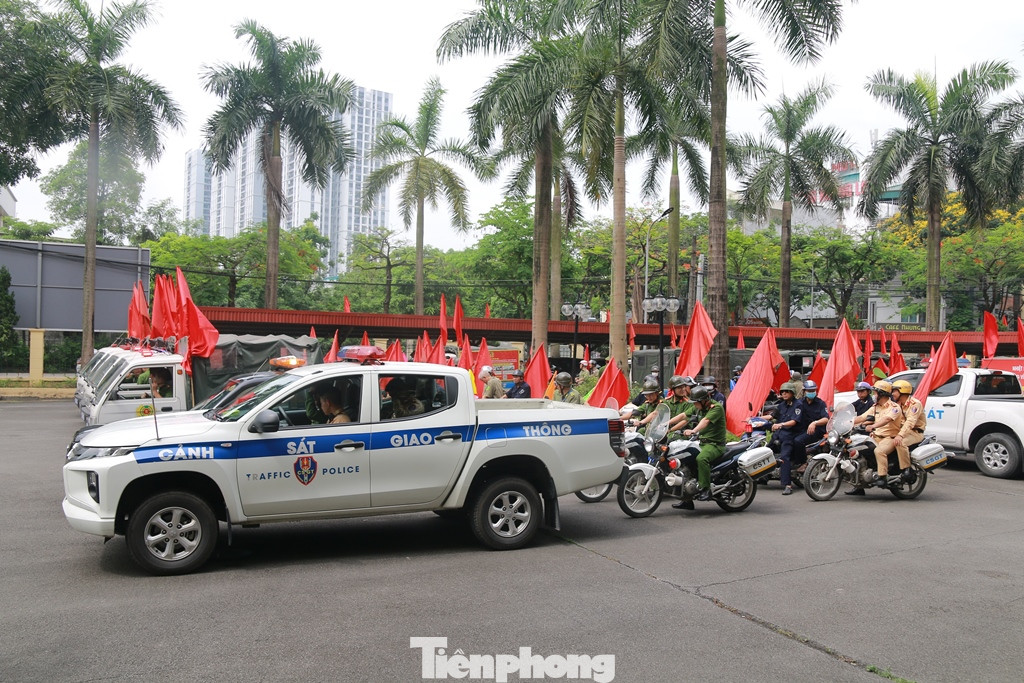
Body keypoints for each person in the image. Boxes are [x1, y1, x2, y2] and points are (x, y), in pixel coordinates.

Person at [854, 379, 905, 489]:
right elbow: (862, 417)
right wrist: (848, 422)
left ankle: (883, 477)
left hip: (889, 438)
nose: (874, 395)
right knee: (858, 447)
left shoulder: (894, 407)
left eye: (875, 393)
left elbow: (887, 419)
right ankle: (860, 482)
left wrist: (873, 426)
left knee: (879, 451)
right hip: (875, 437)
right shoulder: (876, 407)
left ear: (881, 394)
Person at [680, 385, 726, 503]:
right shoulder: (699, 407)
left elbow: (705, 421)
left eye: (696, 402)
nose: (694, 404)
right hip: (701, 443)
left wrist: (694, 431)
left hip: (715, 445)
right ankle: (687, 499)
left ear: (704, 400)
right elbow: (683, 416)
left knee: (702, 458)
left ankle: (706, 489)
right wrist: (666, 424)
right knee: (686, 458)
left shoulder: (716, 408)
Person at [770, 382, 803, 495]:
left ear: (792, 393)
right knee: (765, 451)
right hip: (777, 434)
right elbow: (771, 416)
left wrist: (781, 424)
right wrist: (755, 418)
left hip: (789, 435)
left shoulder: (798, 405)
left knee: (784, 457)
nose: (784, 394)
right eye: (782, 392)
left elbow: (794, 421)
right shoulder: (781, 405)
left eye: (786, 392)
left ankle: (787, 485)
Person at [793, 379, 829, 477]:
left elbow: (826, 418)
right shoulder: (800, 403)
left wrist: (815, 423)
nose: (811, 393)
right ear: (804, 391)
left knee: (798, 441)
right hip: (802, 429)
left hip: (816, 431)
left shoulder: (820, 403)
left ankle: (803, 463)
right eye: (809, 391)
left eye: (813, 390)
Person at [891, 379, 925, 482]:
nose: (893, 393)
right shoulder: (898, 404)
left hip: (915, 432)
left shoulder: (915, 404)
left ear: (902, 391)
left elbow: (910, 422)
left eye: (895, 391)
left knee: (900, 443)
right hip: (903, 431)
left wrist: (900, 435)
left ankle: (906, 469)